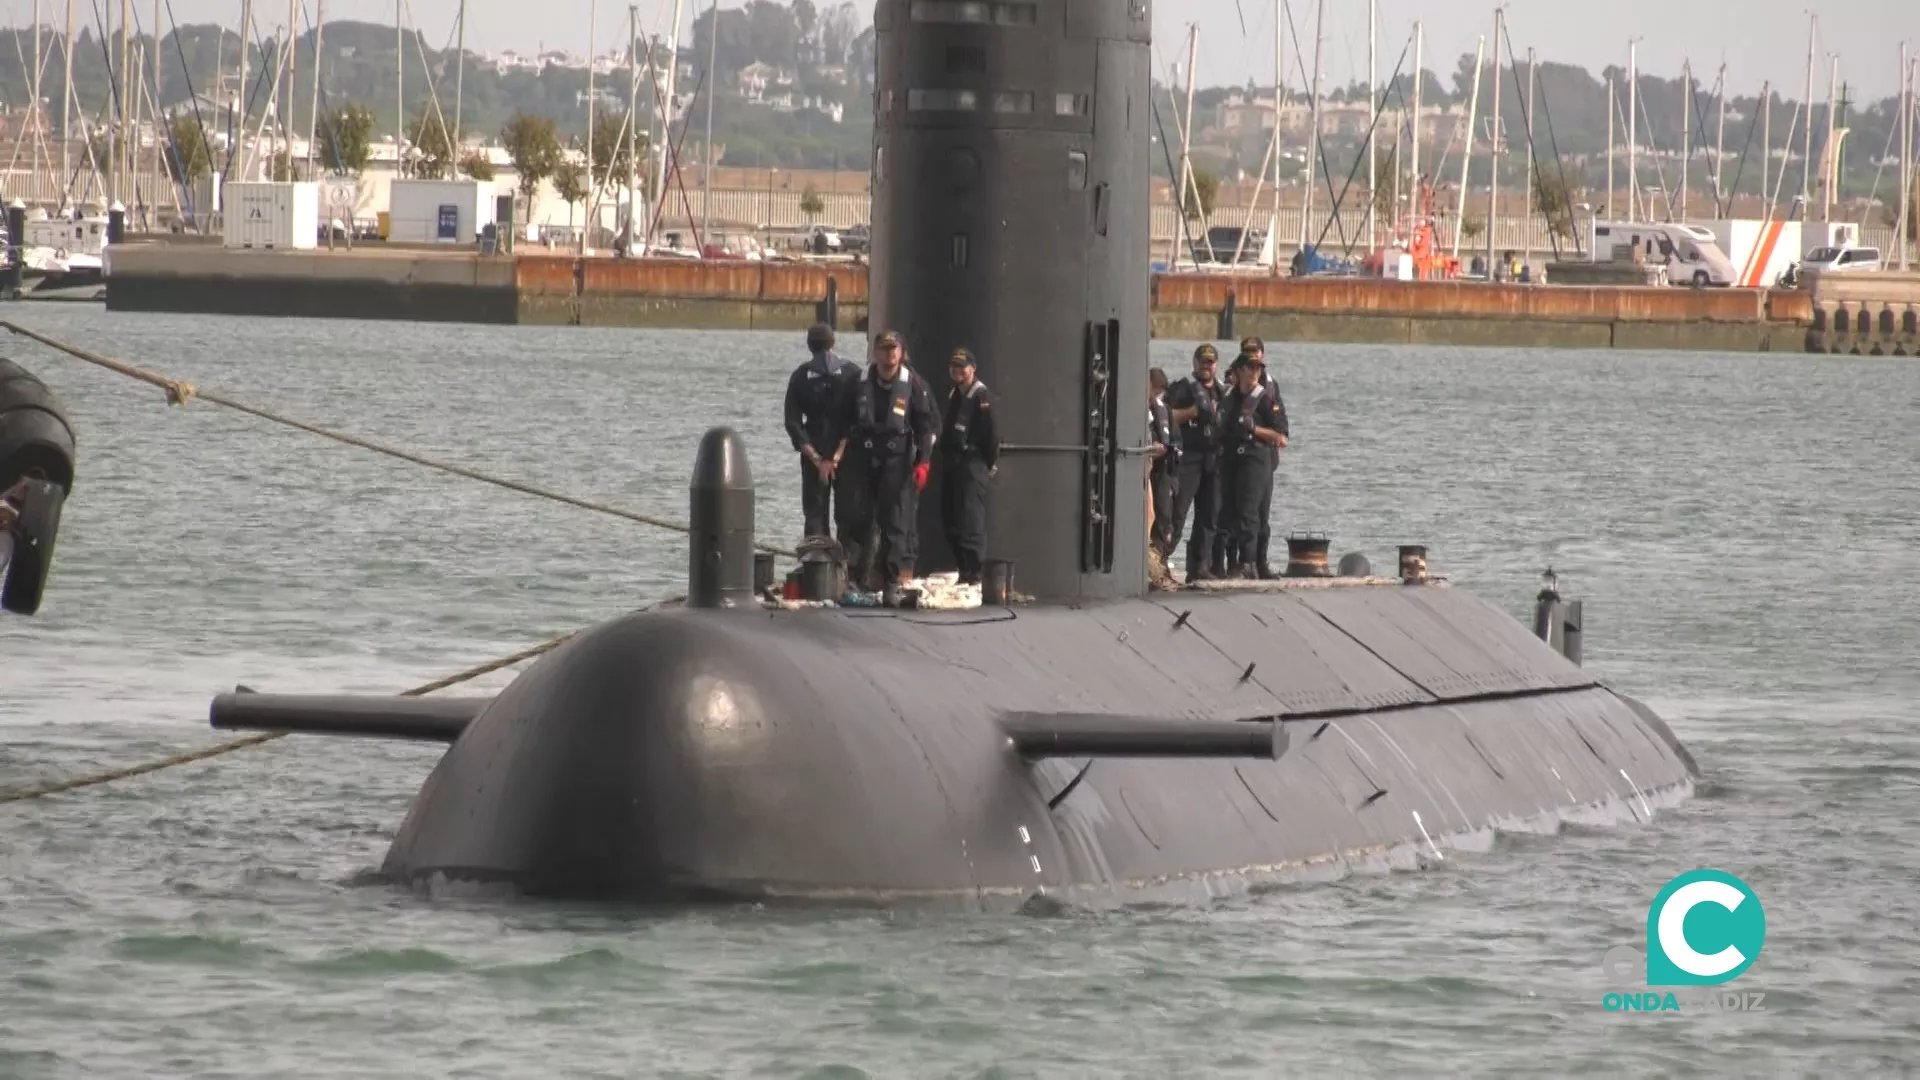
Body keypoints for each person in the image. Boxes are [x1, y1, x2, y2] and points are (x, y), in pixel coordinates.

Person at [830, 330, 937, 592]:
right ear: (875, 352)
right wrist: (835, 455)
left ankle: (893, 578)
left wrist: (924, 462)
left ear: (901, 352)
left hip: (897, 460)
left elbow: (927, 426)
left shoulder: (914, 385)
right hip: (863, 459)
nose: (889, 354)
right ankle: (855, 576)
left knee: (895, 521)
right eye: (884, 349)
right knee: (857, 517)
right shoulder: (857, 382)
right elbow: (842, 421)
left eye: (894, 349)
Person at [1216, 352, 1289, 578]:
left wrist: (1255, 429)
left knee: (1250, 510)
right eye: (1251, 368)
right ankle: (1230, 563)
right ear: (1239, 371)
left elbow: (1280, 436)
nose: (1256, 372)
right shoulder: (1229, 398)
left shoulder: (1265, 399)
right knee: (1229, 511)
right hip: (1231, 458)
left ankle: (1248, 562)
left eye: (1259, 368)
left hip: (1256, 458)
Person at [783, 323, 856, 539]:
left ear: (809, 346)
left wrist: (816, 459)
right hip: (847, 453)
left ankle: (816, 563)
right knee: (848, 511)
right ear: (833, 343)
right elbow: (858, 418)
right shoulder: (852, 373)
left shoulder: (800, 376)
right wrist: (836, 456)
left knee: (815, 512)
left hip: (813, 447)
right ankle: (848, 562)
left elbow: (792, 421)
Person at [1164, 343, 1224, 580]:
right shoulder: (1182, 389)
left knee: (1209, 515)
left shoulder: (1224, 392)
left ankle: (1199, 567)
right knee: (1178, 512)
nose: (1205, 366)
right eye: (1202, 361)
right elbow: (1164, 416)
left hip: (1214, 459)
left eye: (1210, 362)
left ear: (1216, 365)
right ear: (1194, 363)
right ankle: (1160, 560)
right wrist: (1192, 412)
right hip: (1189, 459)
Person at [939, 347, 999, 585]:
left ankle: (974, 574)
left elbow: (991, 436)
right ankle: (964, 570)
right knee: (951, 518)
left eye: (962, 366)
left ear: (973, 369)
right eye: (954, 366)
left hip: (973, 464)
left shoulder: (981, 398)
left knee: (970, 519)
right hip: (955, 463)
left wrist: (988, 465)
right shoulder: (956, 393)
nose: (957, 370)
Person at [1237, 335, 1289, 578]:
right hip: (1240, 458)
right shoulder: (1234, 382)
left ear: (1262, 354)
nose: (1253, 359)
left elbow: (1281, 423)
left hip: (1264, 456)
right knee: (1241, 513)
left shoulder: (1270, 385)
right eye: (1247, 354)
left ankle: (1260, 562)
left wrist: (1280, 435)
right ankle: (1239, 562)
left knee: (1261, 514)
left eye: (1256, 353)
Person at [1147, 366, 1178, 558]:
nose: (1156, 396)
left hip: (1164, 471)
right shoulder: (1140, 408)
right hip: (1148, 471)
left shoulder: (1164, 409)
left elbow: (1175, 438)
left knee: (1164, 518)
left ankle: (1159, 558)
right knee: (1150, 515)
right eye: (1155, 391)